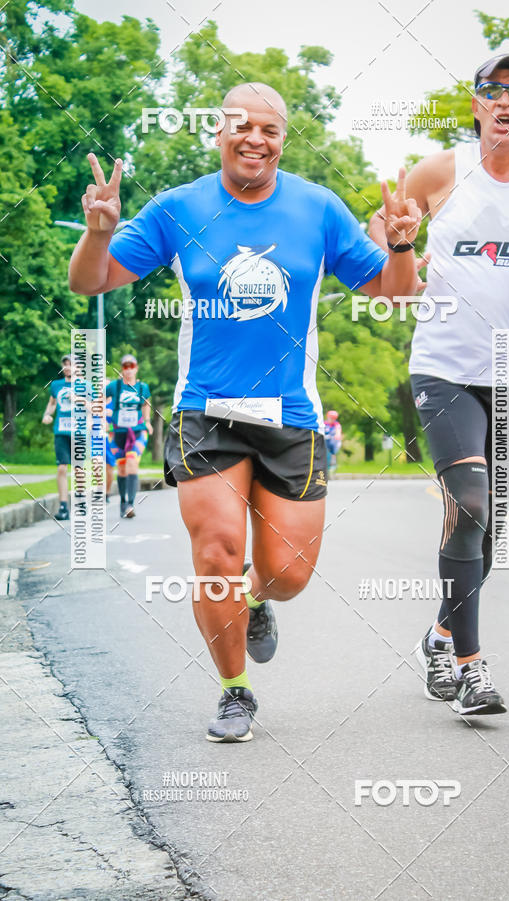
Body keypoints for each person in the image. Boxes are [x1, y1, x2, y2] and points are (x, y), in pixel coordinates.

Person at [68, 81, 420, 742]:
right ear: (219, 130)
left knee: (288, 574)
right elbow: (89, 280)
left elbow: (394, 294)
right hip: (206, 409)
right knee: (217, 552)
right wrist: (97, 233)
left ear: (283, 139)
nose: (255, 138)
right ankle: (235, 691)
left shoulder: (318, 209)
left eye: (270, 129)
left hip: (291, 413)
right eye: (242, 125)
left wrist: (400, 247)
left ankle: (257, 601)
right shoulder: (179, 209)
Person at [370, 53, 509, 716]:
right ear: (475, 106)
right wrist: (401, 242)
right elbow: (393, 281)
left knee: (492, 523)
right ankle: (471, 671)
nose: (505, 101)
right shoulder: (441, 171)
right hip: (444, 365)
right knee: (469, 501)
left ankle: (440, 635)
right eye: (492, 91)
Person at [105, 356, 152, 518]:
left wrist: (147, 421)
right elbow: (99, 401)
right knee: (122, 468)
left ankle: (130, 504)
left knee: (132, 463)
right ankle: (123, 502)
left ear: (136, 368)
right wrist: (103, 418)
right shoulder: (114, 386)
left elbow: (146, 404)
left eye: (131, 366)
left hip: (137, 432)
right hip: (117, 433)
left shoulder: (142, 387)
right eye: (125, 366)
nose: (128, 369)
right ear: (122, 369)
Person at [42, 354, 74, 521]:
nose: (68, 367)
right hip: (61, 432)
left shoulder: (85, 386)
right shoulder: (56, 385)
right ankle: (63, 506)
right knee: (62, 468)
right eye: (65, 364)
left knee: (79, 470)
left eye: (71, 364)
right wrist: (47, 414)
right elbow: (52, 403)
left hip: (80, 433)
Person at [324, 410, 343, 475]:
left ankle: (333, 464)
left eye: (333, 418)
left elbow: (338, 431)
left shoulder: (336, 425)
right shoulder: (325, 424)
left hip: (334, 442)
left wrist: (337, 435)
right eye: (330, 417)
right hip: (325, 441)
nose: (331, 419)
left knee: (332, 448)